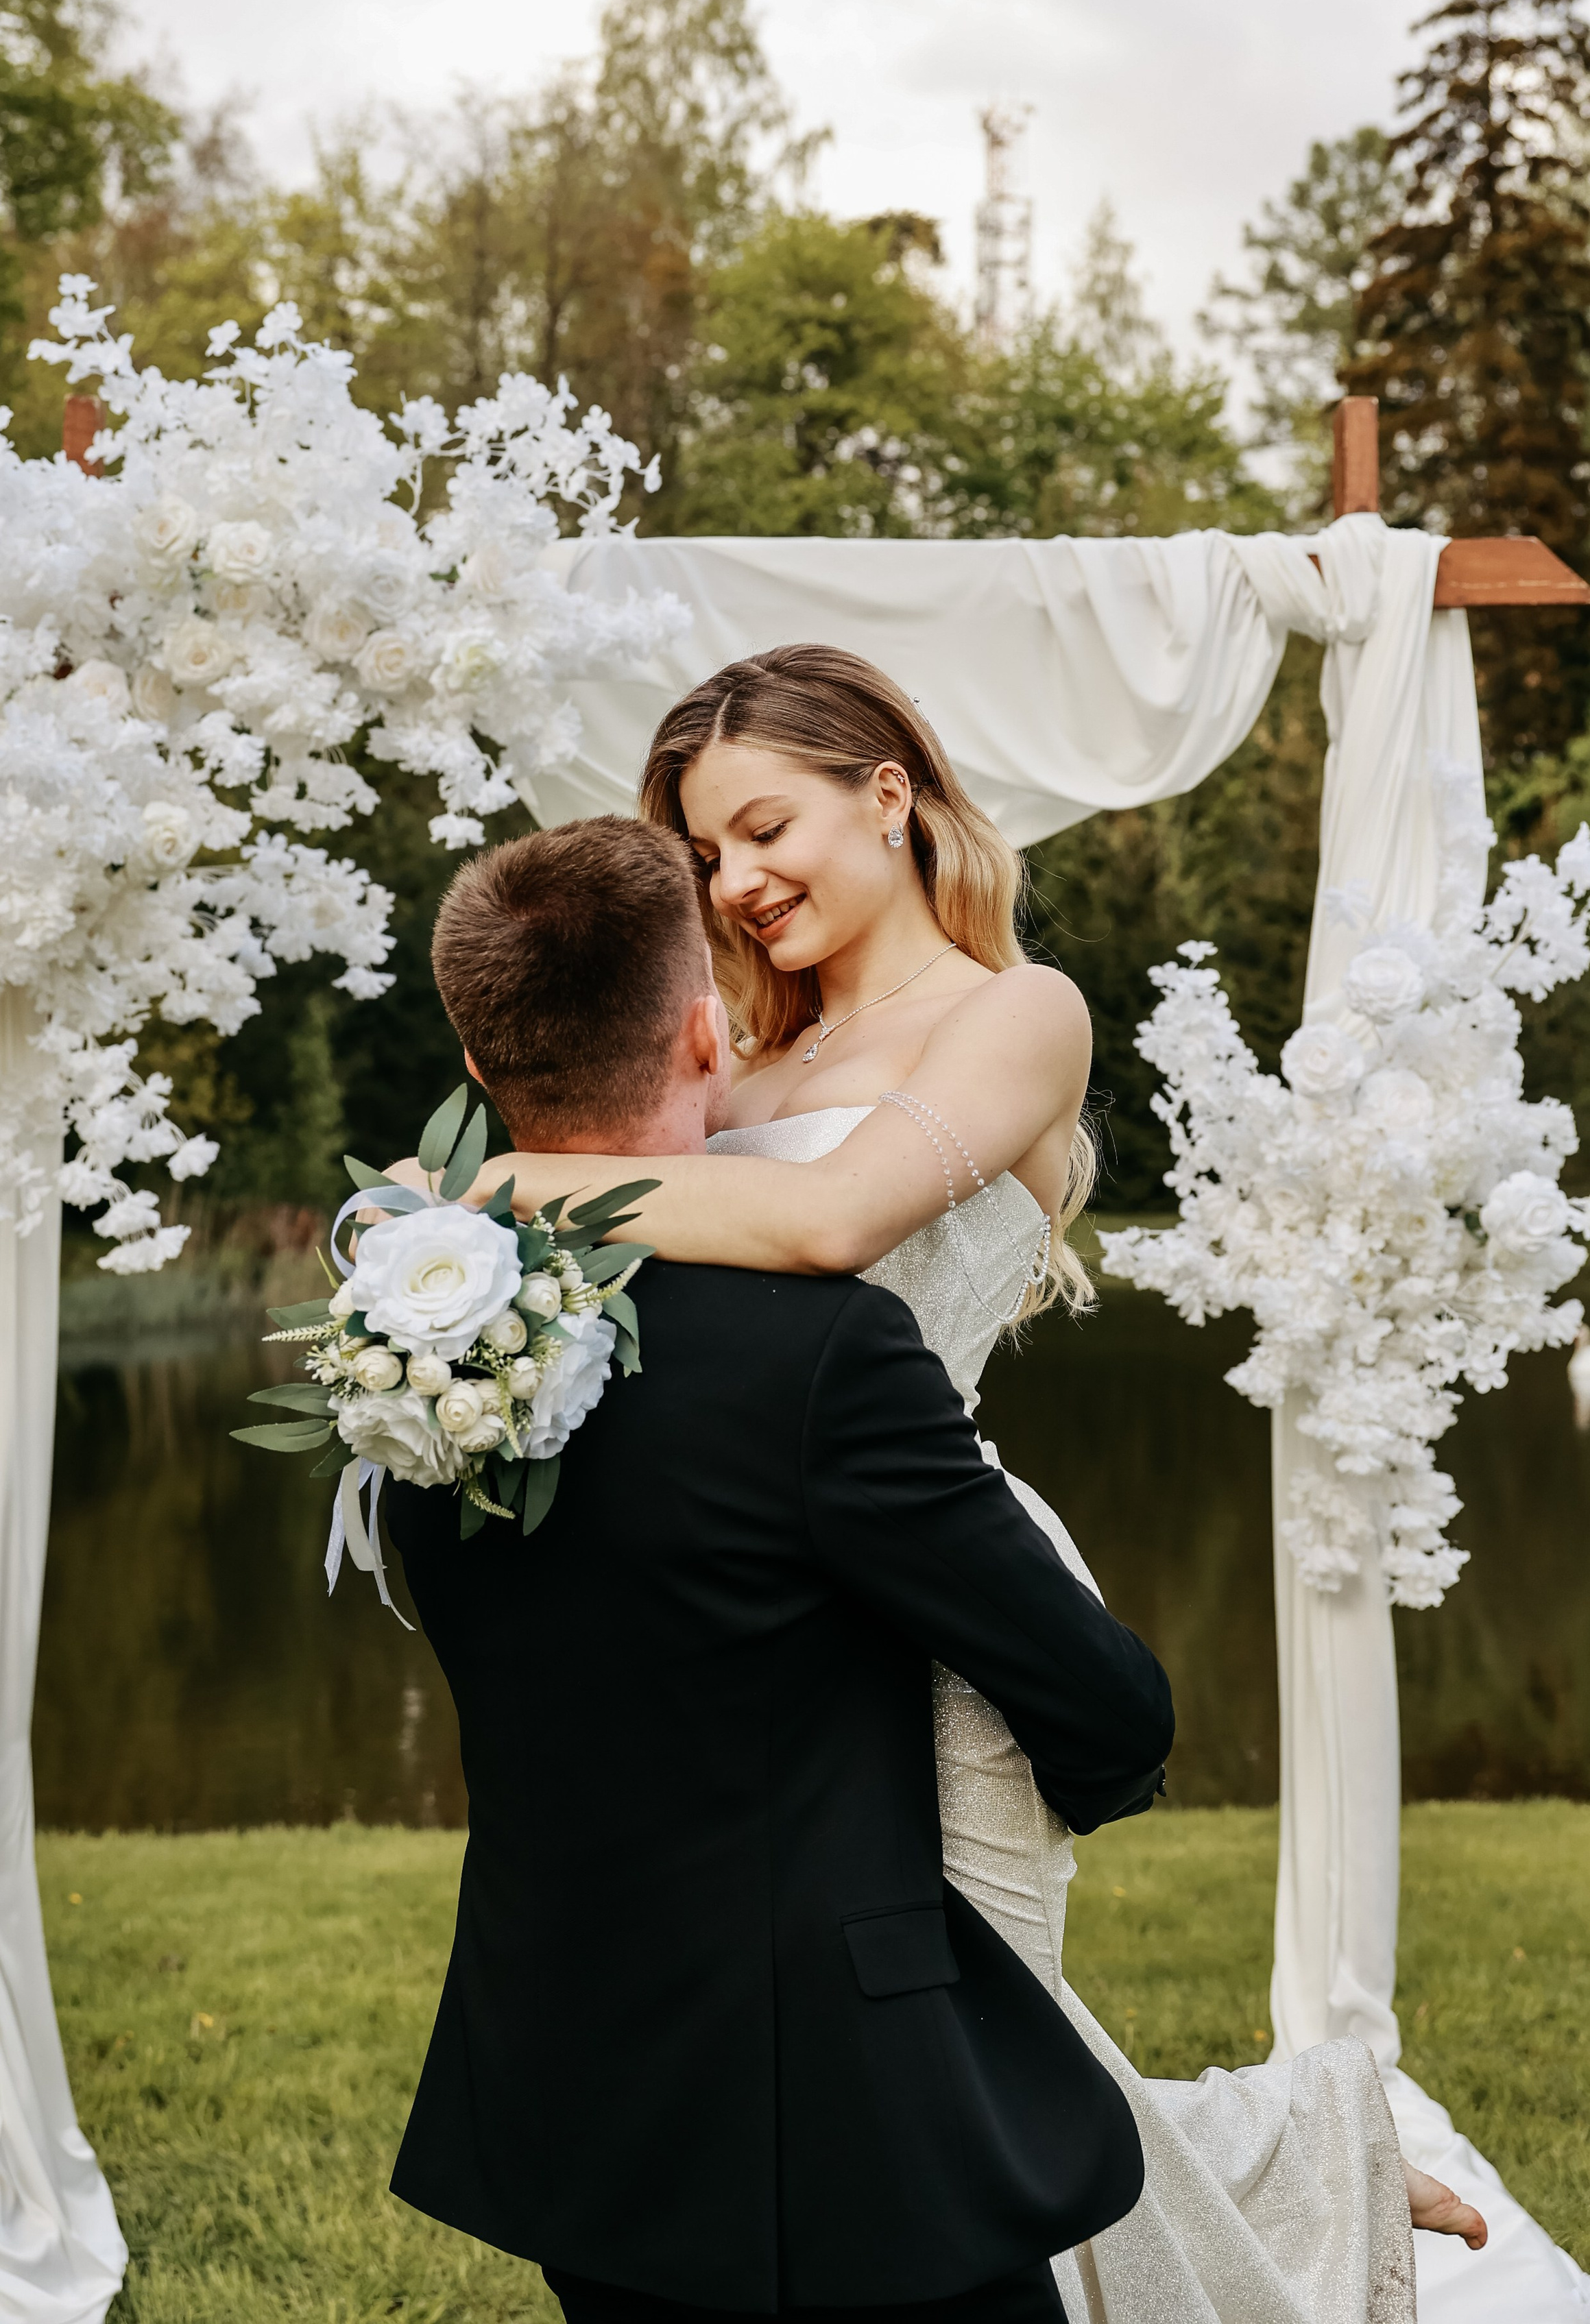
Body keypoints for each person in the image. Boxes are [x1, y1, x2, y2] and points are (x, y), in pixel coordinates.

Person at [461, 646, 1488, 2324]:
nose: (736, 880)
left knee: (968, 2027)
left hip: (941, 1593)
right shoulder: (745, 1051)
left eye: (764, 824)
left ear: (888, 791)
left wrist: (501, 1190)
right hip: (770, 1606)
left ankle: (1294, 2189)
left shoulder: (1016, 1015)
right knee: (864, 2035)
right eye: (706, 853)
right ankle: (1310, 2167)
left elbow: (824, 1230)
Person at [381, 812, 1177, 2324]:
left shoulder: (412, 1344)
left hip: (566, 2082)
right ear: (701, 1034)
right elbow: (1109, 1713)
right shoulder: (812, 1361)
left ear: (483, 1078)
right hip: (843, 2110)